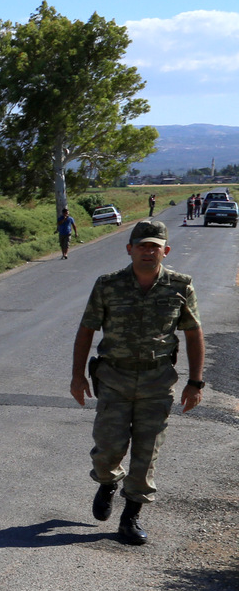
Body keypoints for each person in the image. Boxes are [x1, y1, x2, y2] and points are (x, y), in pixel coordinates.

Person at [69, 220, 204, 545]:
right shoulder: (108, 285)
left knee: (146, 453)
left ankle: (130, 518)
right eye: (141, 245)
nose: (148, 251)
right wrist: (77, 377)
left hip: (157, 382)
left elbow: (193, 332)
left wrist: (195, 382)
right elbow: (87, 329)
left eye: (154, 246)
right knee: (108, 448)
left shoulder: (180, 286)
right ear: (129, 249)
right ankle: (107, 482)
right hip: (114, 378)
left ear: (164, 251)